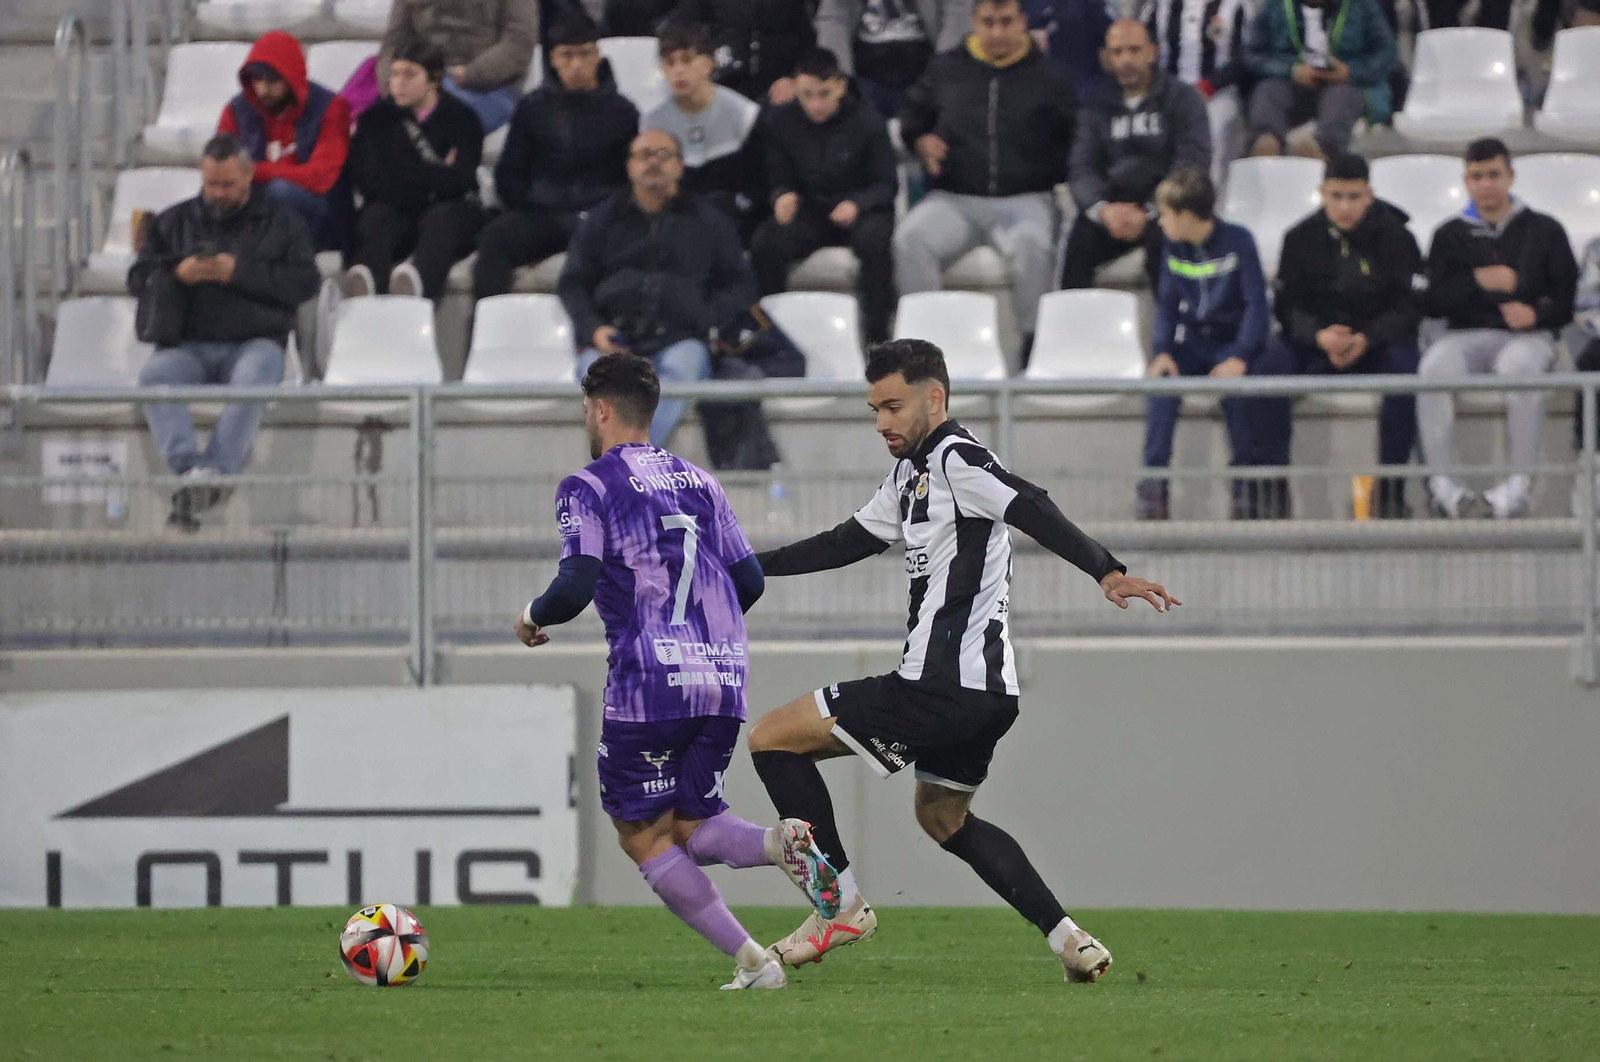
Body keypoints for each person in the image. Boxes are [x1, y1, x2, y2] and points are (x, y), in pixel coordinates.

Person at [745, 338, 1178, 975]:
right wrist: (750, 567)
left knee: (771, 739)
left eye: (893, 407)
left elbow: (1030, 504)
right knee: (943, 817)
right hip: (988, 696)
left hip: (935, 686)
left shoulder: (957, 458)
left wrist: (1105, 570)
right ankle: (1070, 941)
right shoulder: (910, 475)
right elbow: (846, 542)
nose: (882, 423)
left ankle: (838, 907)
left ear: (935, 398)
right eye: (874, 410)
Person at [512, 353, 841, 991]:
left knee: (643, 835)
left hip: (649, 683)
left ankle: (754, 961)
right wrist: (700, 633)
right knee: (691, 823)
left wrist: (530, 616)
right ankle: (776, 843)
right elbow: (749, 580)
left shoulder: (588, 486)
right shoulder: (701, 481)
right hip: (722, 678)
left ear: (600, 409)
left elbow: (574, 584)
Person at [129, 135, 319, 531]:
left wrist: (239, 273)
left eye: (227, 184)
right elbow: (137, 279)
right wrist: (177, 275)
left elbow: (305, 282)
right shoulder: (173, 221)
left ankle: (213, 474)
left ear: (248, 176)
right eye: (211, 184)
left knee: (255, 377)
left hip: (256, 342)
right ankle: (192, 470)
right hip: (187, 345)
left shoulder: (282, 221)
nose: (217, 193)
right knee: (154, 376)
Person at [895, 0, 1077, 364]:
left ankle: (1034, 348)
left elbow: (1073, 140)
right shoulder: (945, 67)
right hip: (954, 198)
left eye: (1006, 22)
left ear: (1022, 22)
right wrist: (920, 140)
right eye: (988, 22)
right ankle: (925, 351)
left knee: (1034, 245)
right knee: (910, 239)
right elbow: (911, 117)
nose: (997, 32)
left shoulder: (1051, 77)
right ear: (974, 21)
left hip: (1024, 199)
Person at [558, 129, 757, 447]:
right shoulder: (601, 219)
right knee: (601, 384)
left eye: (663, 155)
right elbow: (572, 283)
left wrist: (704, 319)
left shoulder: (709, 221)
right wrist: (594, 329)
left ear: (680, 166)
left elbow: (741, 284)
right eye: (644, 155)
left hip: (681, 339)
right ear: (629, 167)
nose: (653, 163)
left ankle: (622, 463)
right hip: (613, 339)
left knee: (680, 371)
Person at [1252, 152, 1423, 518]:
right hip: (1316, 345)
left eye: (1354, 197)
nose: (1345, 206)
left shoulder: (1397, 237)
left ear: (1369, 195)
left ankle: (1391, 493)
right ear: (1322, 194)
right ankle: (1273, 494)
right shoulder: (1299, 238)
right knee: (1266, 370)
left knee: (1407, 374)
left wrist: (1367, 338)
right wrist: (1318, 336)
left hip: (1376, 344)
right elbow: (1287, 307)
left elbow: (1408, 308)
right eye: (1336, 196)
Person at [1418, 138, 1579, 520]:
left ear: (1510, 177)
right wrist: (1477, 281)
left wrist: (1535, 315)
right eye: (1477, 176)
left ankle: (1519, 486)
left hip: (1528, 337)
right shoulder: (1448, 234)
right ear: (1466, 181)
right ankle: (1443, 487)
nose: (1486, 184)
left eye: (1493, 174)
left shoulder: (1545, 230)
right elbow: (1433, 302)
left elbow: (1565, 299)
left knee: (1519, 368)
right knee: (1432, 369)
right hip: (1463, 335)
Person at [472, 9, 638, 299]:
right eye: (567, 55)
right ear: (553, 59)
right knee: (495, 238)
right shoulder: (532, 108)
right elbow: (509, 174)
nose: (577, 64)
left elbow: (631, 180)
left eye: (584, 53)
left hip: (600, 217)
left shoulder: (624, 112)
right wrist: (539, 200)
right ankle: (490, 318)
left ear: (597, 55)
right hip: (543, 213)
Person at [1138, 167, 1269, 520]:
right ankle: (1153, 490)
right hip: (1195, 344)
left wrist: (1240, 356)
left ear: (1185, 216)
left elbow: (1256, 306)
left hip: (1233, 344)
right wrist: (1163, 352)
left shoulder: (1239, 241)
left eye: (1165, 214)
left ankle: (1245, 492)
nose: (1160, 222)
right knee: (1162, 386)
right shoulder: (1172, 246)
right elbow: (1167, 305)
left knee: (1241, 395)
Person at [751, 47, 898, 343]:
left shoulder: (868, 121)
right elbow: (777, 175)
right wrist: (782, 195)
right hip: (810, 210)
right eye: (807, 95)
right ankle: (772, 334)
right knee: (765, 242)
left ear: (841, 86)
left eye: (824, 94)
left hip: (861, 209)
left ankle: (877, 336)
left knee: (875, 242)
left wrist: (857, 204)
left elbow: (886, 184)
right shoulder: (781, 122)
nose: (815, 104)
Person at [1061, 19, 1211, 294]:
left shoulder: (1182, 98)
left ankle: (1177, 320)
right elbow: (1081, 167)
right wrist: (1103, 210)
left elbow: (1192, 161)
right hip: (1112, 208)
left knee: (1171, 238)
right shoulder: (1094, 105)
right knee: (1077, 244)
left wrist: (1153, 209)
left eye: (1134, 50)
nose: (1125, 60)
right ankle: (1073, 320)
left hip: (1166, 205)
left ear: (1152, 52)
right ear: (1106, 58)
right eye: (1117, 52)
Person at [345, 38, 484, 300]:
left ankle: (418, 296)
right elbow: (369, 182)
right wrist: (435, 174)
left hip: (448, 212)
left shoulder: (463, 118)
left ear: (434, 79)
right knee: (374, 219)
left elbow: (460, 181)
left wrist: (400, 171)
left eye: (409, 75)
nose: (398, 83)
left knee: (442, 220)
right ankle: (367, 296)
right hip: (397, 212)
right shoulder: (374, 120)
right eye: (395, 74)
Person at [217, 30, 353, 253]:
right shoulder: (236, 110)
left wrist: (252, 171)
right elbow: (221, 169)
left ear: (292, 77)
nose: (263, 89)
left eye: (273, 80)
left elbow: (320, 178)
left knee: (279, 192)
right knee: (217, 194)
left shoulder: (331, 108)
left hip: (321, 217)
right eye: (257, 79)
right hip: (257, 212)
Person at [642, 23, 765, 240]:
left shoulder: (744, 114)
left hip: (734, 223)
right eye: (670, 63)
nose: (678, 71)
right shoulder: (653, 124)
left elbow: (757, 188)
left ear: (708, 64)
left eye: (687, 60)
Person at [1241, 0, 1396, 160]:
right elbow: (1253, 54)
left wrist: (1350, 71)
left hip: (1345, 83)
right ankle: (1265, 145)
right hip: (1293, 81)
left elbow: (1386, 52)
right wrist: (1292, 70)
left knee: (1341, 99)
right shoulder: (1276, 5)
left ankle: (1321, 152)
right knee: (1268, 91)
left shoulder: (1362, 5)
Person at [378, 0, 538, 134]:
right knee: (379, 128)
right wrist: (390, 84)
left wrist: (471, 74)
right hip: (425, 79)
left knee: (438, 129)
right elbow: (392, 44)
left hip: (491, 86)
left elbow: (519, 43)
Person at [1140, 0, 1251, 188]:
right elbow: (1144, 55)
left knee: (1214, 132)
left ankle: (1211, 201)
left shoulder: (1235, 5)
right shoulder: (1156, 7)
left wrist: (1209, 86)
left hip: (1217, 93)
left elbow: (1245, 56)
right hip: (1166, 93)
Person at [815, 0, 970, 119]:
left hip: (926, 68)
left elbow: (959, 14)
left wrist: (944, 71)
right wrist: (839, 76)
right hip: (865, 72)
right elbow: (834, 18)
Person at [672, 0, 819, 104]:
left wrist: (794, 79)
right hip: (720, 86)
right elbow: (680, 29)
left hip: (776, 90)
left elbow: (807, 41)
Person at [1024, 0, 1116, 99]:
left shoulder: (1089, 6)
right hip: (1034, 92)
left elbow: (1113, 41)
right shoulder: (1023, 7)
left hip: (1085, 92)